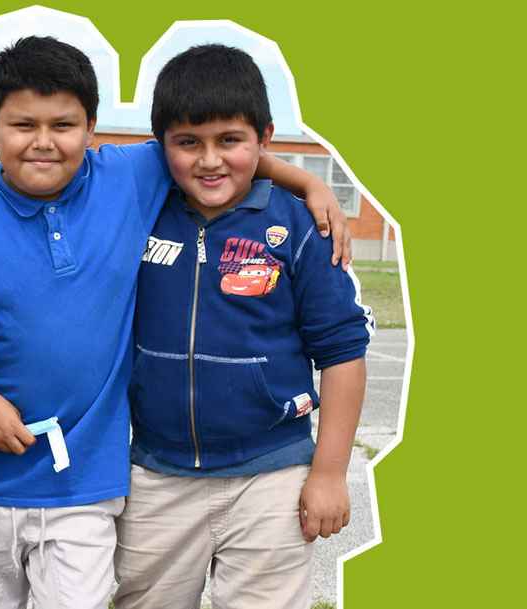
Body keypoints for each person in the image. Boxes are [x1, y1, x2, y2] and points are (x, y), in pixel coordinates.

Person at [0, 37, 352, 609]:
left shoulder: (128, 176)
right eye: (23, 125)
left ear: (93, 126)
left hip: (93, 487)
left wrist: (310, 182)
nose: (44, 141)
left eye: (64, 125)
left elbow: (219, 145)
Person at [112, 44, 373, 609]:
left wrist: (329, 473)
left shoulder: (302, 227)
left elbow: (344, 354)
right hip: (157, 474)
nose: (209, 161)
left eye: (229, 141)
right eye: (188, 143)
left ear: (264, 137)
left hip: (271, 474)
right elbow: (55, 167)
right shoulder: (135, 208)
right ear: (162, 148)